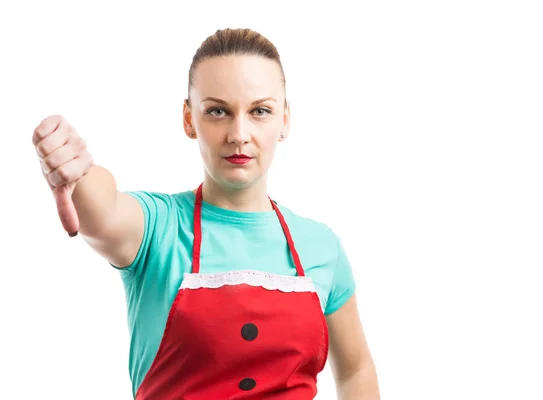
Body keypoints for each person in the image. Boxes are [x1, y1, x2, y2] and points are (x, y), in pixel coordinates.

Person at [32, 28, 379, 399]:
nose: (239, 134)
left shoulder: (321, 247)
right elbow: (103, 210)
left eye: (260, 111)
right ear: (189, 119)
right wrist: (78, 170)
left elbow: (356, 369)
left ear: (285, 119)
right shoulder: (158, 227)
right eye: (218, 111)